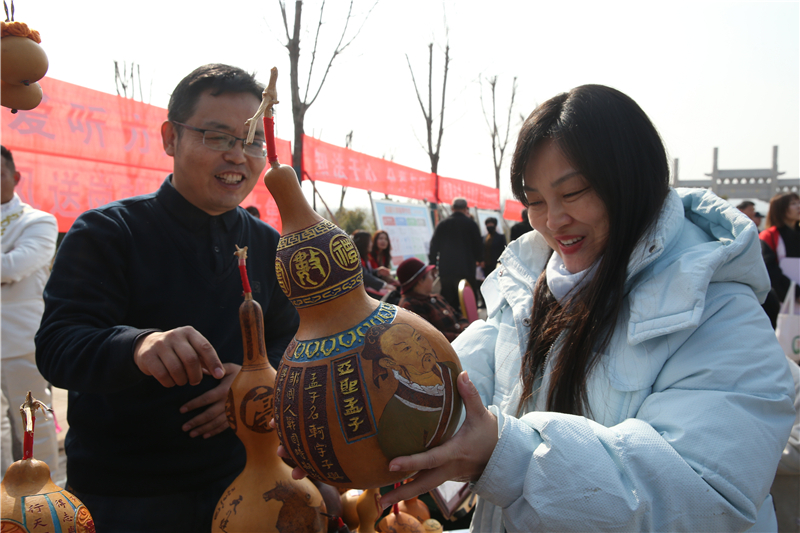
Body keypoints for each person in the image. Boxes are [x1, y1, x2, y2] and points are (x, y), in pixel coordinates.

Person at [377, 85, 795, 531]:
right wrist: (369, 411)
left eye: (573, 192)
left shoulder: (719, 309)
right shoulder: (527, 286)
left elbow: (706, 495)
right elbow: (455, 383)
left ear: (632, 179)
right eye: (534, 200)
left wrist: (510, 457)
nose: (552, 220)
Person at [35, 64, 300, 532]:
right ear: (170, 138)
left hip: (242, 481)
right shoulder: (108, 233)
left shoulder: (268, 244)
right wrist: (138, 346)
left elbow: (293, 337)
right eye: (217, 137)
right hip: (125, 494)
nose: (239, 156)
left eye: (253, 140)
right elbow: (58, 346)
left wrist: (258, 381)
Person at [1, 145, 59, 476]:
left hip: (21, 338)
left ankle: (46, 489)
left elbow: (15, 266)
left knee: (32, 418)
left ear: (15, 176)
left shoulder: (37, 221)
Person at [397, 257, 468, 341]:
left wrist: (467, 330)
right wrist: (462, 337)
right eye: (430, 275)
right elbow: (432, 337)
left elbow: (458, 316)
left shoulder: (436, 297)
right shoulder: (410, 307)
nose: (433, 278)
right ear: (420, 281)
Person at [428, 198, 482, 310]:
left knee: (449, 302)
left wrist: (433, 263)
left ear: (452, 208)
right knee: (468, 303)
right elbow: (478, 245)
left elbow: (434, 245)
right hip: (466, 269)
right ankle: (469, 325)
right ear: (466, 208)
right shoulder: (471, 224)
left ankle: (451, 325)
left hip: (447, 270)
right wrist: (479, 259)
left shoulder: (442, 224)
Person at [760, 192, 800, 306]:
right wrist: (796, 293)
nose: (798, 206)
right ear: (780, 208)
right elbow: (768, 268)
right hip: (781, 299)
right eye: (793, 203)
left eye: (799, 203)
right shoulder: (769, 236)